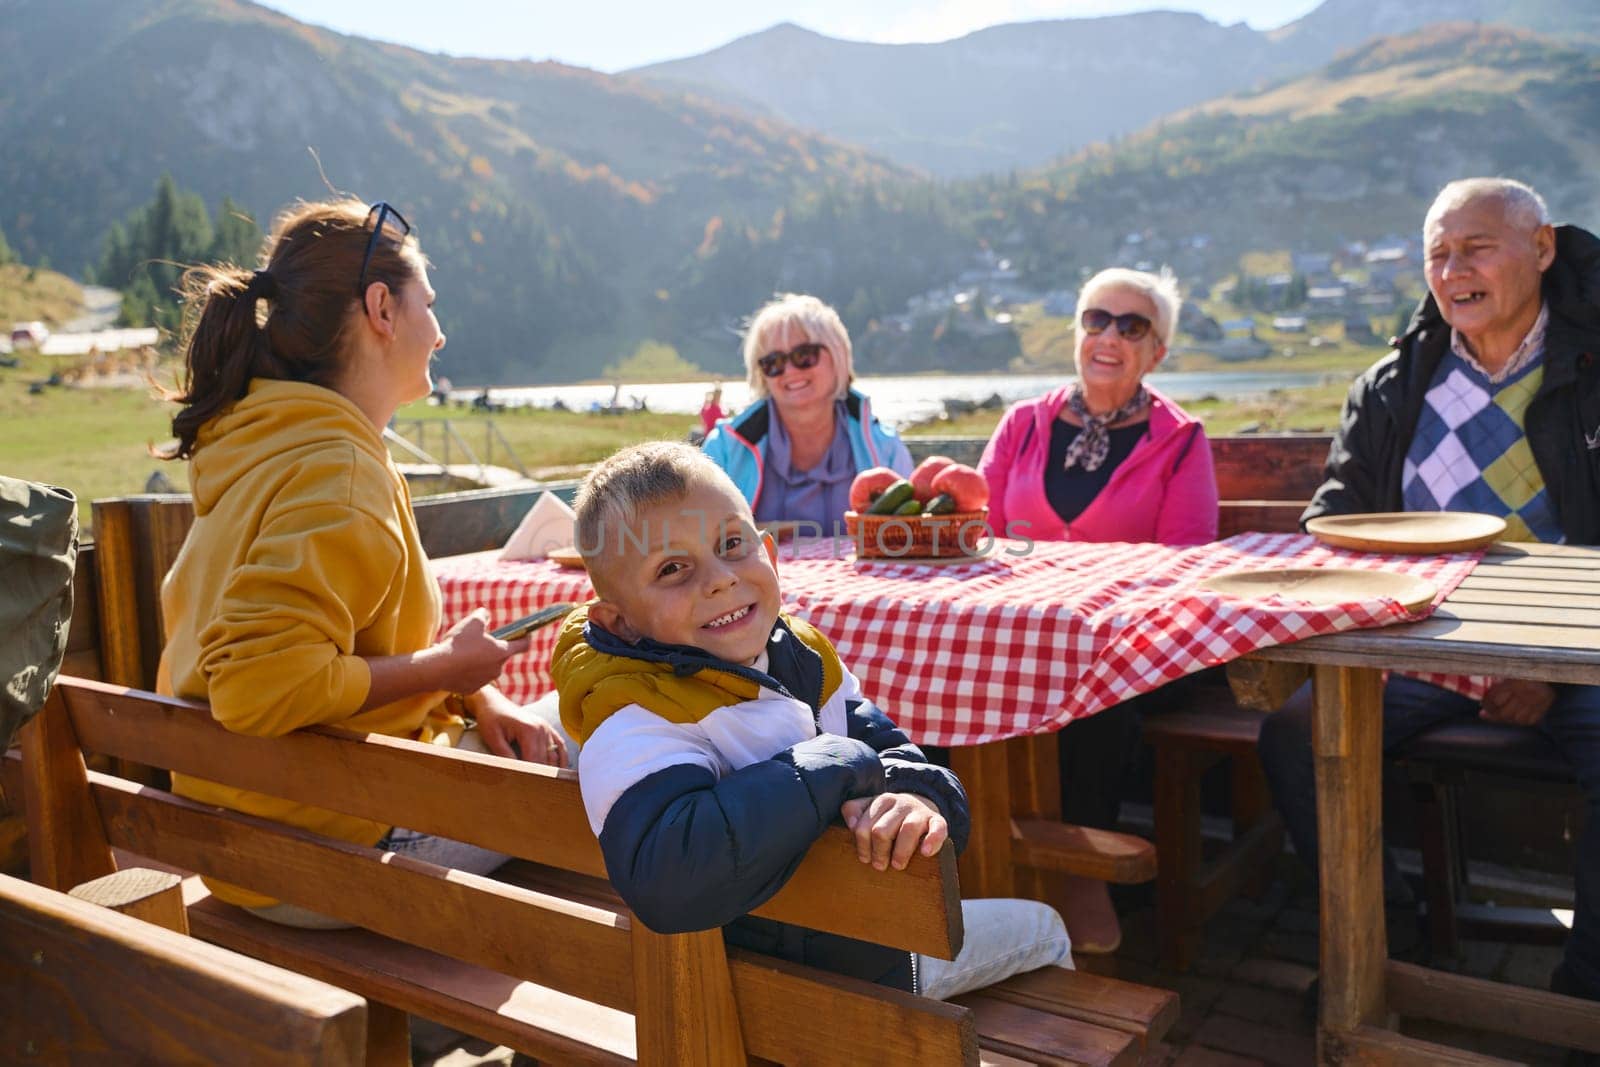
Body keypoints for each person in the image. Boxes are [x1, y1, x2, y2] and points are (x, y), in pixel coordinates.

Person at [155, 198, 566, 929]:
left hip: (234, 836)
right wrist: (446, 668)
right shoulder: (341, 472)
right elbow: (258, 684)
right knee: (616, 712)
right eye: (428, 306)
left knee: (556, 729)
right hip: (322, 853)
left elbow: (338, 655)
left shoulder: (264, 442)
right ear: (381, 308)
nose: (439, 332)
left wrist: (476, 695)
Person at [552, 441, 1072, 998]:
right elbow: (668, 875)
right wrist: (833, 769)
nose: (721, 579)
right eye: (674, 569)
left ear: (770, 555)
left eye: (732, 544)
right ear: (621, 623)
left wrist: (921, 803)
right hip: (809, 994)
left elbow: (893, 756)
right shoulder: (632, 715)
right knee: (1046, 928)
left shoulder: (802, 657)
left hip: (847, 958)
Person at [1258, 178, 1600, 1005]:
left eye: (1476, 247)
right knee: (1296, 736)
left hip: (1577, 653)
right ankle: (1383, 942)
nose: (1454, 271)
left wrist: (1547, 667)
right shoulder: (1395, 383)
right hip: (1423, 646)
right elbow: (1334, 516)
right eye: (1437, 255)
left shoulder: (1589, 367)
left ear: (1543, 247)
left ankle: (1584, 990)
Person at [977, 266, 1219, 954]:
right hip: (1019, 635)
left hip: (1131, 645)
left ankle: (1081, 874)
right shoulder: (1022, 425)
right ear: (1078, 333)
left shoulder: (1180, 439)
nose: (1109, 335)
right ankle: (976, 868)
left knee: (1099, 696)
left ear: (1156, 351)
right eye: (1096, 319)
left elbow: (1184, 567)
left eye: (1132, 324)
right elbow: (980, 540)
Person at [702, 294, 912, 531]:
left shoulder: (886, 449)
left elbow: (907, 536)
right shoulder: (724, 450)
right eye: (774, 362)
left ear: (837, 356)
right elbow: (698, 536)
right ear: (762, 375)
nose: (790, 371)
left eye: (804, 355)